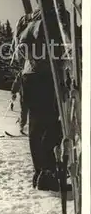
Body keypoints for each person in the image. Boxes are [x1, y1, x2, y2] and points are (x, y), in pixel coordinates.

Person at [12, 10, 71, 192]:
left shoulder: (25, 21)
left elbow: (19, 48)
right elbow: (66, 41)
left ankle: (41, 172)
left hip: (29, 76)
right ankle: (48, 173)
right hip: (47, 74)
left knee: (37, 127)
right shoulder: (55, 16)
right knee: (52, 124)